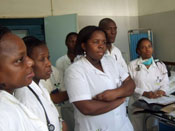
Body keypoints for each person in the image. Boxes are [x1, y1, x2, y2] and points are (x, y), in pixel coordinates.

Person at [65, 26, 135, 131]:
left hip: (123, 126)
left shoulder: (111, 61)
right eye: (96, 42)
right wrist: (119, 100)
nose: (101, 46)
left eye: (104, 42)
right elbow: (86, 108)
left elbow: (130, 84)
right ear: (84, 45)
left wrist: (115, 93)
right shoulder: (75, 70)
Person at [0, 26, 48, 131]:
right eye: (19, 59)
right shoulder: (3, 115)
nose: (30, 62)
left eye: (27, 56)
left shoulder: (9, 103)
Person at [14, 36, 67, 131]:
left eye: (48, 58)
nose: (48, 63)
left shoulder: (40, 87)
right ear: (28, 62)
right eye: (42, 59)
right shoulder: (25, 97)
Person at [128, 38, 169, 131]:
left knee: (152, 128)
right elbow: (128, 86)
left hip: (154, 105)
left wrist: (162, 91)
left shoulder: (160, 64)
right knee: (137, 128)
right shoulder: (132, 65)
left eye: (149, 46)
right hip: (137, 104)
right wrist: (144, 93)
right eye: (143, 47)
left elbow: (165, 82)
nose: (147, 49)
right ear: (138, 51)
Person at [56, 32, 78, 131]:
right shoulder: (60, 61)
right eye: (71, 41)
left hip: (81, 98)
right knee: (69, 126)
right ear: (66, 43)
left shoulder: (82, 59)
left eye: (76, 41)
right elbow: (60, 82)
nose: (74, 44)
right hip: (66, 100)